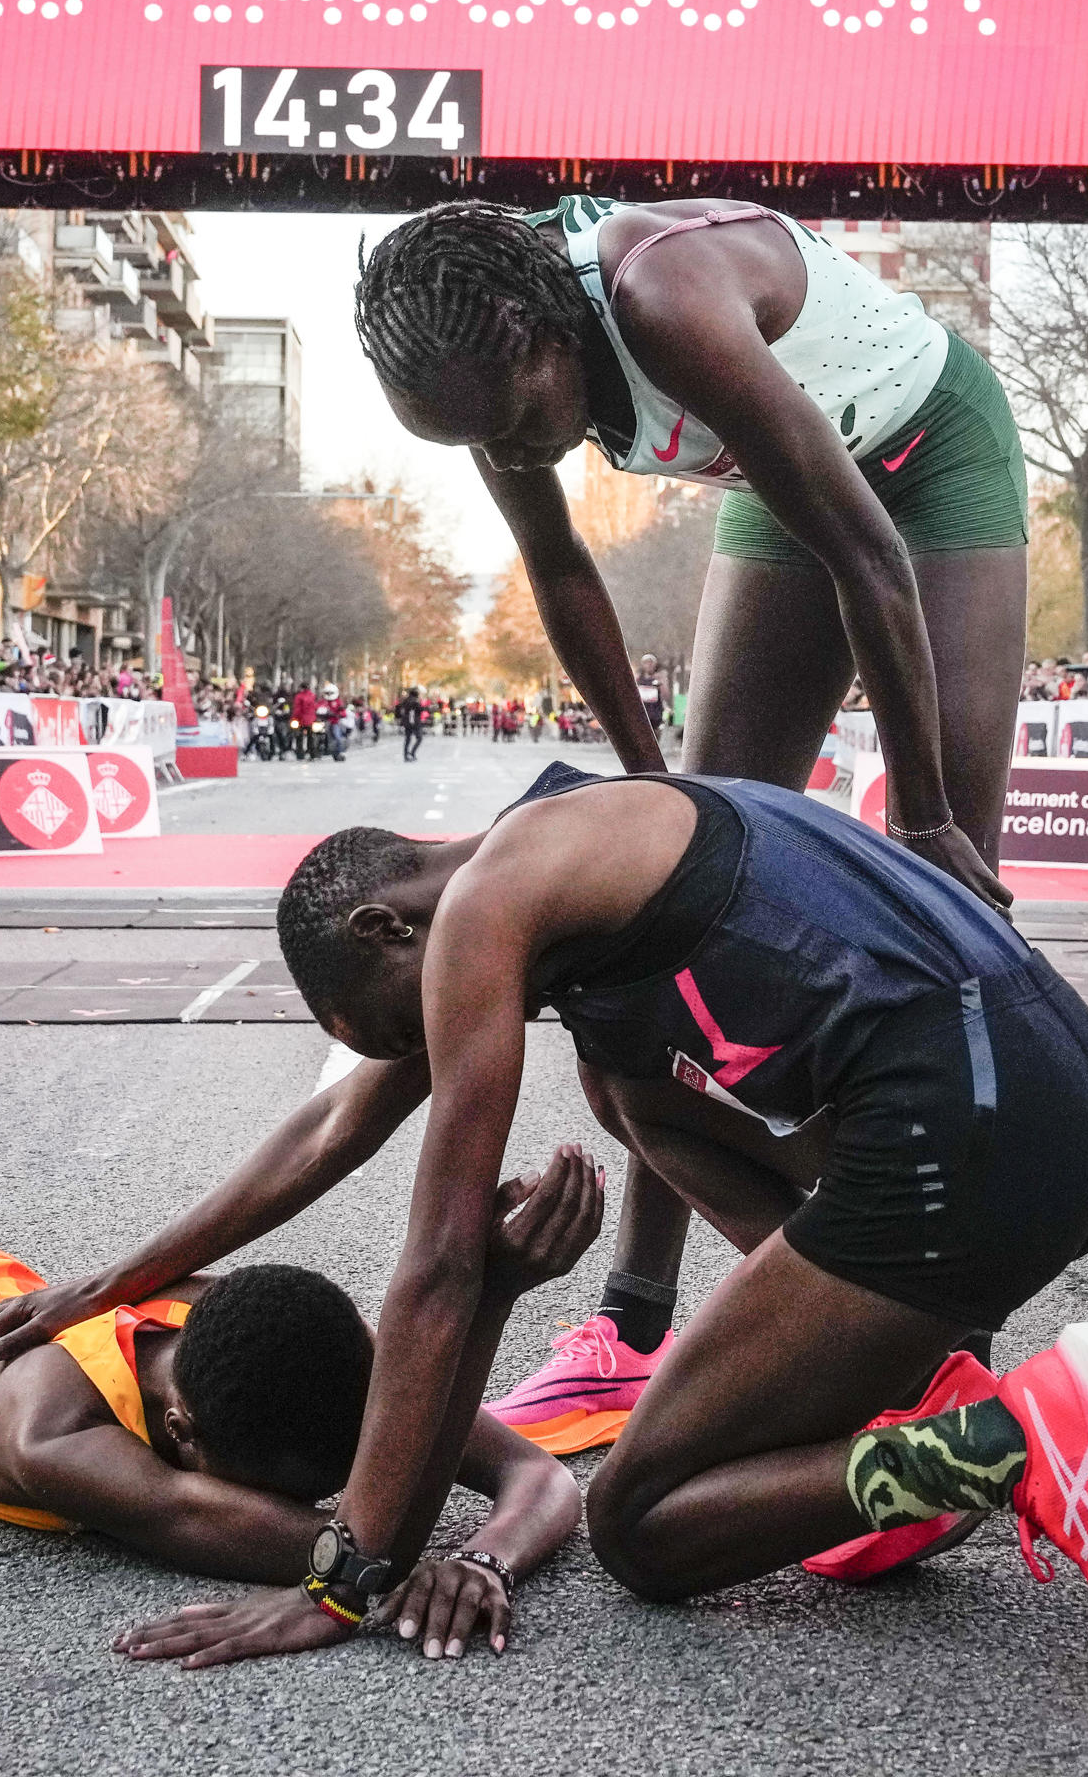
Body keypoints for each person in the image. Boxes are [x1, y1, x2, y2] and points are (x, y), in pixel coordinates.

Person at [0, 762, 1088, 1690]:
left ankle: (1019, 1440)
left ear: (385, 928)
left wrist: (352, 1572)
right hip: (1057, 1105)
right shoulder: (571, 833)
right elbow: (335, 1133)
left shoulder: (491, 902)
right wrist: (115, 1281)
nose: (421, 1056)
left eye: (398, 1030)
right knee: (630, 1089)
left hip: (965, 1135)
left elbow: (440, 1265)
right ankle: (909, 1397)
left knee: (645, 1527)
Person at [355, 196, 1028, 1441]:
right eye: (476, 442)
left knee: (957, 909)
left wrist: (924, 812)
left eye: (516, 421)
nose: (515, 452)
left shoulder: (664, 296)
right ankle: (630, 1324)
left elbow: (869, 556)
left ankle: (946, 1337)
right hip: (787, 480)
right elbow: (560, 571)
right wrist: (646, 793)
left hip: (926, 460)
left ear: (538, 321)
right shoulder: (478, 368)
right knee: (674, 914)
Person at [0, 1159, 594, 1660]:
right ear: (181, 1433)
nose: (339, 1504)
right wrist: (423, 1573)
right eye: (281, 1496)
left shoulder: (300, 1340)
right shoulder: (46, 1437)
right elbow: (349, 1555)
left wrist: (484, 1559)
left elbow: (536, 1473)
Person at [398, 685, 424, 763]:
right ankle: (412, 752)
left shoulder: (405, 701)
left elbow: (399, 709)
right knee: (419, 738)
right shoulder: (415, 701)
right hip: (415, 723)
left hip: (407, 723)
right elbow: (420, 710)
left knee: (408, 739)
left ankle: (406, 755)